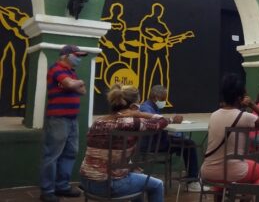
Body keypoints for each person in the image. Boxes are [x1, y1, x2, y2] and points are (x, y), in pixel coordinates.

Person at [80, 84, 167, 201]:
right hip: (110, 185)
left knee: (138, 180)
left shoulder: (98, 121)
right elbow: (162, 121)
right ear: (133, 106)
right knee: (157, 185)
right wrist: (139, 114)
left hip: (86, 182)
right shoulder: (132, 123)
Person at [200, 74, 259, 197]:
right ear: (241, 97)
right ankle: (248, 197)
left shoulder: (213, 115)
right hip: (234, 172)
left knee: (222, 178)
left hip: (208, 171)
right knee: (258, 170)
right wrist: (251, 104)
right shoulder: (245, 117)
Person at [39, 45, 88, 202]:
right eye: (77, 55)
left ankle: (62, 186)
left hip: (72, 118)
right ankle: (47, 191)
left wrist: (75, 83)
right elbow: (70, 85)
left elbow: (82, 91)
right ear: (65, 56)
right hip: (58, 119)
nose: (79, 58)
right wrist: (77, 82)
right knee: (52, 155)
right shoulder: (56, 68)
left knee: (70, 153)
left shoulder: (70, 72)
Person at [139, 85, 203, 192]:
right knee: (189, 144)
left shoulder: (153, 107)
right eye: (163, 99)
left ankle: (192, 179)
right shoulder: (146, 108)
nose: (164, 101)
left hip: (158, 141)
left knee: (185, 141)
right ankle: (193, 182)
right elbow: (155, 121)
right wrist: (172, 120)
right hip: (154, 144)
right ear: (155, 97)